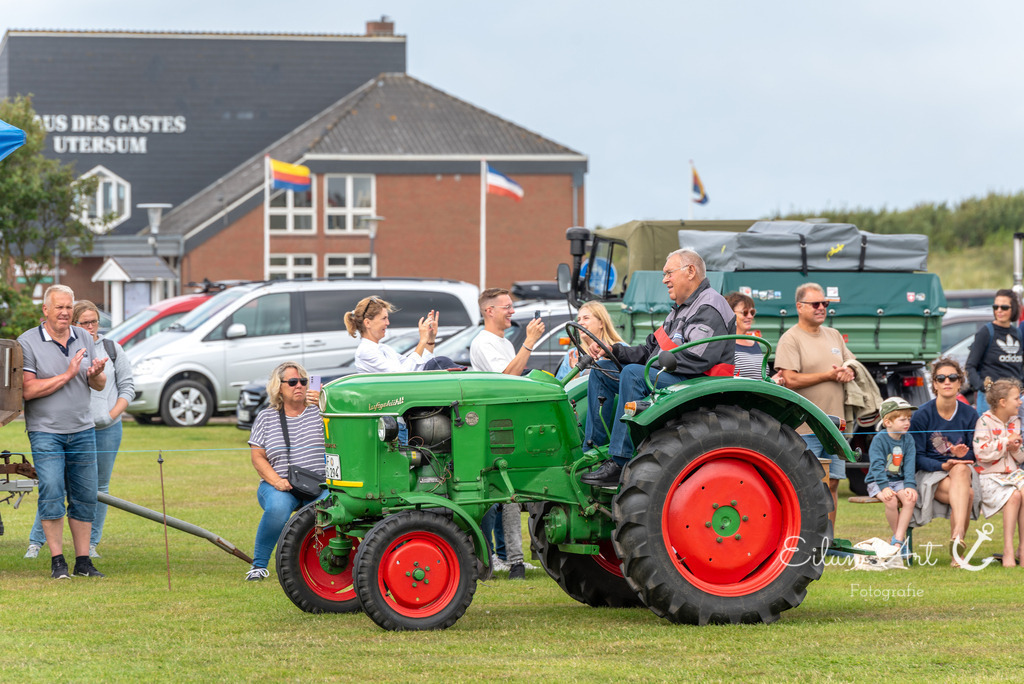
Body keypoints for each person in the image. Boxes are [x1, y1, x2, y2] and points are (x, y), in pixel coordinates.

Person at [580, 248, 735, 488]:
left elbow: (697, 359)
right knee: (603, 370)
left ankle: (621, 460)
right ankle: (593, 451)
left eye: (668, 273)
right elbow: (648, 351)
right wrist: (613, 350)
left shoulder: (711, 305)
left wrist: (656, 361)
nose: (664, 280)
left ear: (690, 271)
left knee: (633, 375)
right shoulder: (679, 310)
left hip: (698, 382)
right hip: (674, 375)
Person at [25, 300, 134, 560]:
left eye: (94, 321)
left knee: (98, 488)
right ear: (73, 323)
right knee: (55, 485)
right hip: (66, 427)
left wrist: (110, 416)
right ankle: (36, 542)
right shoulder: (67, 343)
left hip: (105, 429)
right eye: (84, 322)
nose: (91, 327)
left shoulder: (111, 348)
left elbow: (127, 387)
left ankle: (91, 545)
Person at [18, 285, 107, 579]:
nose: (65, 313)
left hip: (82, 428)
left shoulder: (83, 336)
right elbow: (28, 390)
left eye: (69, 307)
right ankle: (58, 561)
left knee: (85, 497)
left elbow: (98, 384)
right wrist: (68, 374)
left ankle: (83, 562)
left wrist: (95, 375)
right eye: (59, 307)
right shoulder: (27, 342)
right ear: (45, 310)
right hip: (46, 431)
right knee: (52, 492)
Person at [470, 288, 546, 579]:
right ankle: (493, 559)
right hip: (492, 430)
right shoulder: (483, 342)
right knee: (496, 498)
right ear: (489, 311)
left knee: (509, 498)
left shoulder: (500, 342)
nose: (512, 311)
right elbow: (505, 380)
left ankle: (511, 559)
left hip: (504, 427)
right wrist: (529, 342)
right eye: (507, 307)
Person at [774, 282, 855, 523]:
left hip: (836, 428)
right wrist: (829, 375)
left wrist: (848, 371)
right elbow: (789, 379)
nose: (822, 308)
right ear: (799, 307)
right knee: (806, 487)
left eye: (825, 304)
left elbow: (852, 363)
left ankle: (827, 541)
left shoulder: (834, 335)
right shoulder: (791, 339)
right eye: (816, 304)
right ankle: (808, 539)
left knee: (832, 485)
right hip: (806, 428)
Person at [245, 361, 326, 581]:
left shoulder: (321, 413)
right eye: (292, 382)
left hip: (319, 485)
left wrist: (324, 406)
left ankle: (321, 565)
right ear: (278, 387)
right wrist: (277, 481)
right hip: (279, 484)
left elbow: (343, 438)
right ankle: (258, 566)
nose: (298, 386)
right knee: (278, 508)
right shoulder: (266, 417)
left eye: (302, 381)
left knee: (329, 509)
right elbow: (257, 456)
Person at [910, 356, 980, 566]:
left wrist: (961, 457)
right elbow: (918, 457)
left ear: (960, 383)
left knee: (960, 470)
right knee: (966, 493)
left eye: (952, 377)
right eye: (941, 378)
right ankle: (957, 548)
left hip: (961, 472)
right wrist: (943, 465)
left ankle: (956, 536)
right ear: (934, 384)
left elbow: (974, 455)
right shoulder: (922, 415)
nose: (947, 381)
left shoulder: (970, 414)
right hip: (931, 472)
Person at [972, 378, 1024, 567]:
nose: (1020, 402)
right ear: (1003, 402)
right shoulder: (984, 421)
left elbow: (1020, 457)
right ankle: (1009, 551)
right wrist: (1005, 443)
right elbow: (981, 453)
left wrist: (1015, 448)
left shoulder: (1016, 421)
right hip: (990, 476)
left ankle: (1022, 548)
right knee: (1014, 497)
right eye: (1017, 398)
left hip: (1014, 474)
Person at [866, 397, 918, 555]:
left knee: (909, 499)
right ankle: (899, 543)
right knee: (891, 500)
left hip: (899, 481)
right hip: (878, 480)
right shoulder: (879, 440)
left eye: (908, 419)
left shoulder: (908, 439)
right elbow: (876, 466)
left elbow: (909, 464)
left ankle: (898, 540)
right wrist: (884, 487)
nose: (907, 422)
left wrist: (909, 486)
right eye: (902, 419)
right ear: (888, 422)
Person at [346, 296, 443, 373]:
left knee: (442, 361)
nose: (387, 323)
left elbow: (418, 367)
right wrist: (422, 341)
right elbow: (402, 375)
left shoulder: (383, 348)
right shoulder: (366, 352)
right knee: (443, 362)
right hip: (392, 397)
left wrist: (430, 339)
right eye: (384, 318)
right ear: (367, 323)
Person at [966, 289, 1023, 413]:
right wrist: (983, 387)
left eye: (1004, 307)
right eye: (995, 306)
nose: (999, 310)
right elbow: (970, 366)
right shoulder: (986, 332)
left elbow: (1020, 367)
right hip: (990, 401)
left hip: (1014, 400)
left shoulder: (1018, 333)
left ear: (1013, 309)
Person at [555, 301, 624, 380]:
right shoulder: (572, 354)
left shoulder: (620, 350)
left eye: (586, 318)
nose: (580, 323)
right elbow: (561, 388)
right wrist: (575, 374)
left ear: (601, 323)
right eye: (579, 319)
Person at [725, 292, 785, 384]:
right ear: (730, 314)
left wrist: (771, 380)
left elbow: (758, 379)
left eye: (752, 312)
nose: (750, 316)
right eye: (745, 312)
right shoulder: (724, 343)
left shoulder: (754, 343)